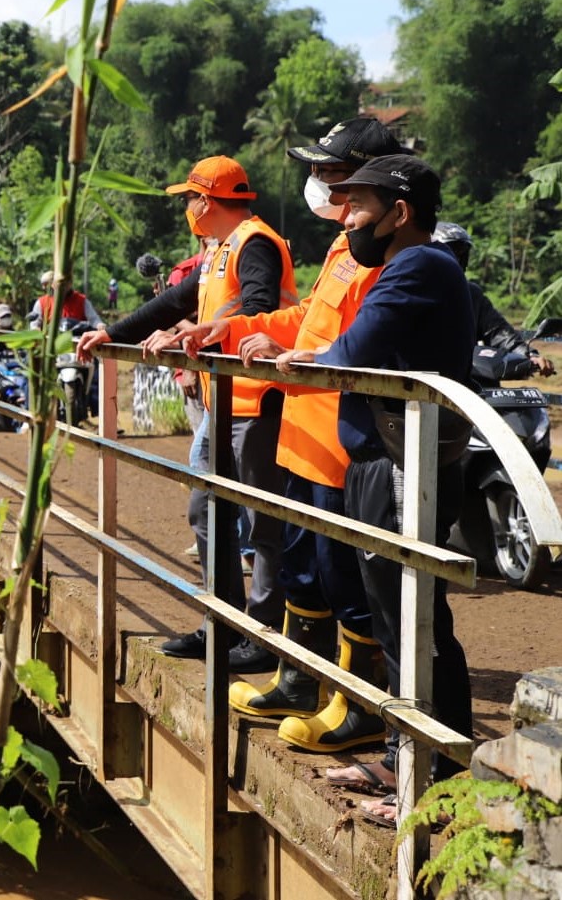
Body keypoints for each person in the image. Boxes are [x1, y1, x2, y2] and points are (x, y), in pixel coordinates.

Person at [174, 116, 406, 751]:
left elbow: (360, 342)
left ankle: (357, 703)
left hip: (339, 442)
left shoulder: (384, 256)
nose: (323, 185)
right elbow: (306, 316)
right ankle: (299, 680)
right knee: (303, 568)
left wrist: (301, 352)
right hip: (301, 433)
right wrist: (233, 329)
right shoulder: (342, 245)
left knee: (345, 578)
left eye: (334, 174)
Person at [272, 155, 474, 824]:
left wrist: (313, 358)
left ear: (400, 211)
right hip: (380, 458)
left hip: (403, 464)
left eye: (357, 205)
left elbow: (351, 349)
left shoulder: (419, 265)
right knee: (392, 617)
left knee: (415, 618)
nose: (347, 218)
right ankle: (400, 752)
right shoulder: (409, 266)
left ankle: (437, 777)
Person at [77, 155, 297, 670]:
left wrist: (201, 333)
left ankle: (263, 637)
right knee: (207, 509)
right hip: (225, 402)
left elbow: (259, 305)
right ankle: (221, 621)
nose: (188, 208)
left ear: (209, 200)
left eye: (191, 199)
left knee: (261, 522)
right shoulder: (220, 248)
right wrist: (111, 333)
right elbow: (173, 302)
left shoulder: (256, 243)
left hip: (258, 401)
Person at [431, 222, 556, 376]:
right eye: (450, 253)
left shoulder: (471, 294)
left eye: (460, 255)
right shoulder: (413, 291)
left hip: (468, 375)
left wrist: (529, 355)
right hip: (423, 378)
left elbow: (498, 332)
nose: (455, 260)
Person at [27, 270, 104, 331]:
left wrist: (100, 326)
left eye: (66, 282)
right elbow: (34, 325)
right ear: (53, 284)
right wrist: (36, 331)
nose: (63, 286)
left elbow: (94, 320)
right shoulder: (42, 302)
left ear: (70, 283)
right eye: (60, 282)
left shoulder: (82, 301)